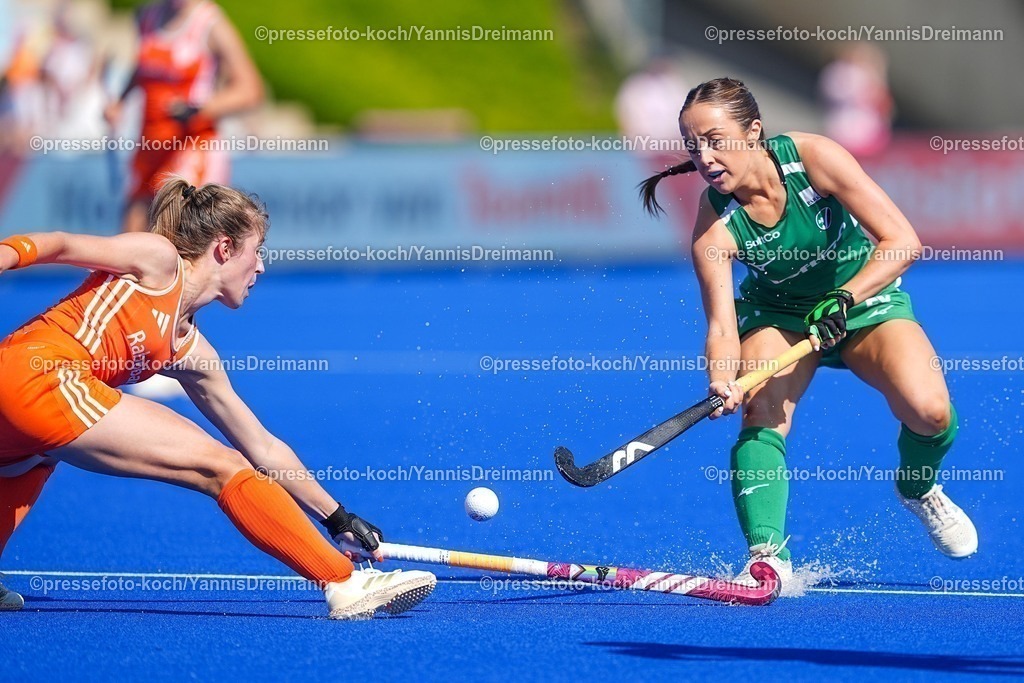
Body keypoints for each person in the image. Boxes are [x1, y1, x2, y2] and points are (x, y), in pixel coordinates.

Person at [0, 178, 435, 618]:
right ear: (224, 248)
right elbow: (61, 244)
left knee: (28, 460)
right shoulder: (158, 261)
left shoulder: (190, 351)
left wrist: (337, 518)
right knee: (221, 466)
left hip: (16, 392)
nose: (261, 267)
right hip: (41, 375)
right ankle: (343, 583)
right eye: (257, 250)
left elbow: (263, 446)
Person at [637, 77, 977, 592]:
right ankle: (768, 557)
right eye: (692, 145)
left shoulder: (813, 158)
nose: (704, 157)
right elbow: (722, 325)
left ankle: (918, 487)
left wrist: (844, 298)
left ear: (753, 131)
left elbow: (902, 241)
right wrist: (722, 379)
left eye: (715, 140)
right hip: (778, 314)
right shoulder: (714, 226)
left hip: (862, 299)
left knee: (930, 413)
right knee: (760, 413)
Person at [104, 0, 263, 233]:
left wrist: (197, 109)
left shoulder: (211, 24)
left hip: (191, 146)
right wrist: (120, 101)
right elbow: (145, 68)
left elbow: (251, 90)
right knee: (131, 235)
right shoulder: (147, 17)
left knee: (179, 237)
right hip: (151, 145)